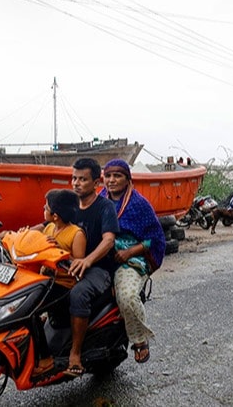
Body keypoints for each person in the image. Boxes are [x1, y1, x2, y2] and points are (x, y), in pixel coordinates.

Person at [100, 159, 165, 364]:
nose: (111, 180)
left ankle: (139, 340)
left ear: (128, 179)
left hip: (131, 260)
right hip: (102, 255)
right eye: (108, 176)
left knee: (126, 296)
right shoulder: (98, 200)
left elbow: (154, 239)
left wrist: (129, 252)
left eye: (117, 176)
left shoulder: (139, 205)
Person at [64, 158, 119, 377]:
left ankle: (75, 353)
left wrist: (88, 260)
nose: (76, 183)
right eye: (74, 178)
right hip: (70, 265)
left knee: (78, 294)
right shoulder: (68, 204)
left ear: (96, 183)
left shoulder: (105, 207)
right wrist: (24, 232)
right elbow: (51, 221)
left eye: (82, 179)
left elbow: (109, 240)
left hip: (99, 269)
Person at [33, 188, 87, 376]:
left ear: (55, 215)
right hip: (46, 281)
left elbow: (78, 264)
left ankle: (45, 359)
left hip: (63, 286)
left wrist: (62, 253)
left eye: (46, 207)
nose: (43, 208)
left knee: (30, 311)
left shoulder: (76, 234)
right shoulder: (49, 228)